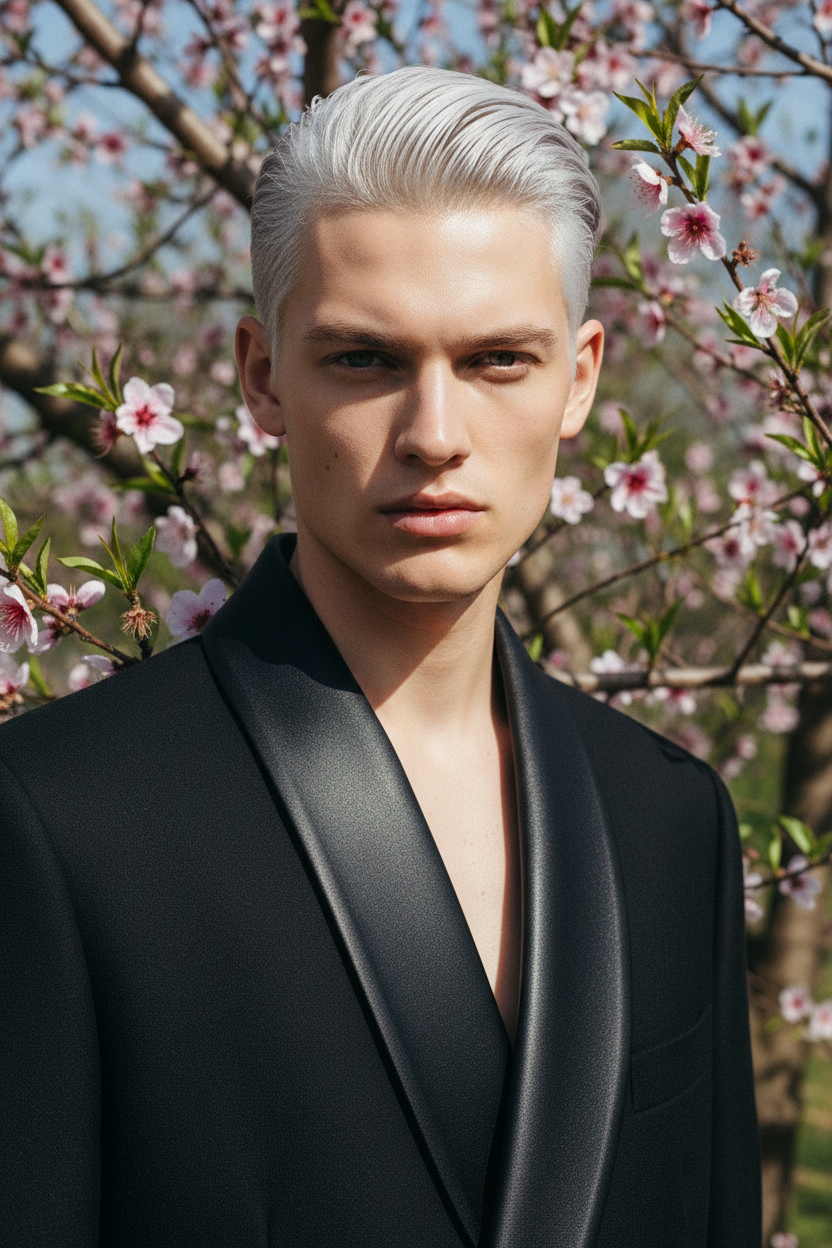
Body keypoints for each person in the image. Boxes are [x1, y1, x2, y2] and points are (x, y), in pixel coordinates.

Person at [1, 66, 760, 1247]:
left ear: (582, 376)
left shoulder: (671, 820)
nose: (435, 436)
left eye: (499, 359)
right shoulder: (57, 815)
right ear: (262, 376)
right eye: (363, 360)